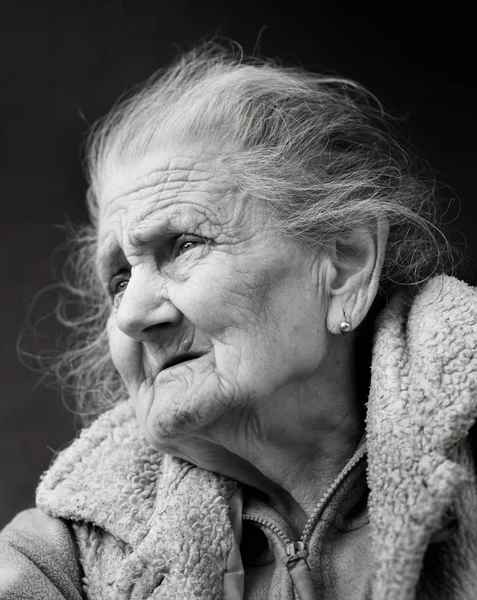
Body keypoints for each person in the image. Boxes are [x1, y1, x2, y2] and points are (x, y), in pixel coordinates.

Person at [1, 42, 476, 600]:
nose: (130, 315)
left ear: (345, 266)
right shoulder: (68, 550)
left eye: (182, 245)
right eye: (119, 279)